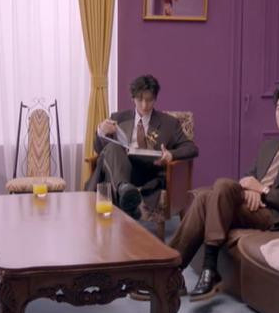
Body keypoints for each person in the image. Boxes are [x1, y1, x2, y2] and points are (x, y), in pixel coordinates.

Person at [170, 83, 279, 301]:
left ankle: (179, 271)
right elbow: (248, 178)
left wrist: (263, 191)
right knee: (218, 189)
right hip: (252, 205)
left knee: (207, 199)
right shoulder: (269, 146)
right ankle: (178, 272)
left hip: (277, 215)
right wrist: (252, 189)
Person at [85, 74, 198, 219]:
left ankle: (125, 197)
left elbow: (191, 148)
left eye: (149, 100)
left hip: (149, 174)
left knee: (109, 167)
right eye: (140, 100)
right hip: (122, 170)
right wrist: (101, 131)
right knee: (112, 148)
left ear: (155, 99)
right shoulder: (118, 118)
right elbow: (100, 150)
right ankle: (125, 192)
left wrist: (171, 154)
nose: (144, 105)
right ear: (133, 98)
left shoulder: (169, 123)